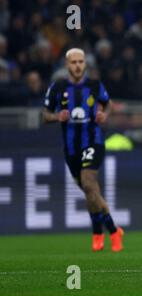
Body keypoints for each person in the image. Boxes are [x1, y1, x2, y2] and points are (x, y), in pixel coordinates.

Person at [42, 48, 124, 252]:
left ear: (85, 63)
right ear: (66, 64)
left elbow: (108, 104)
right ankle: (112, 230)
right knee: (91, 192)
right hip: (71, 149)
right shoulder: (58, 87)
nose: (77, 65)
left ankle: (100, 233)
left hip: (93, 142)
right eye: (73, 62)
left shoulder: (95, 85)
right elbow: (45, 115)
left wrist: (104, 115)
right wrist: (56, 117)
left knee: (88, 184)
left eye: (81, 62)